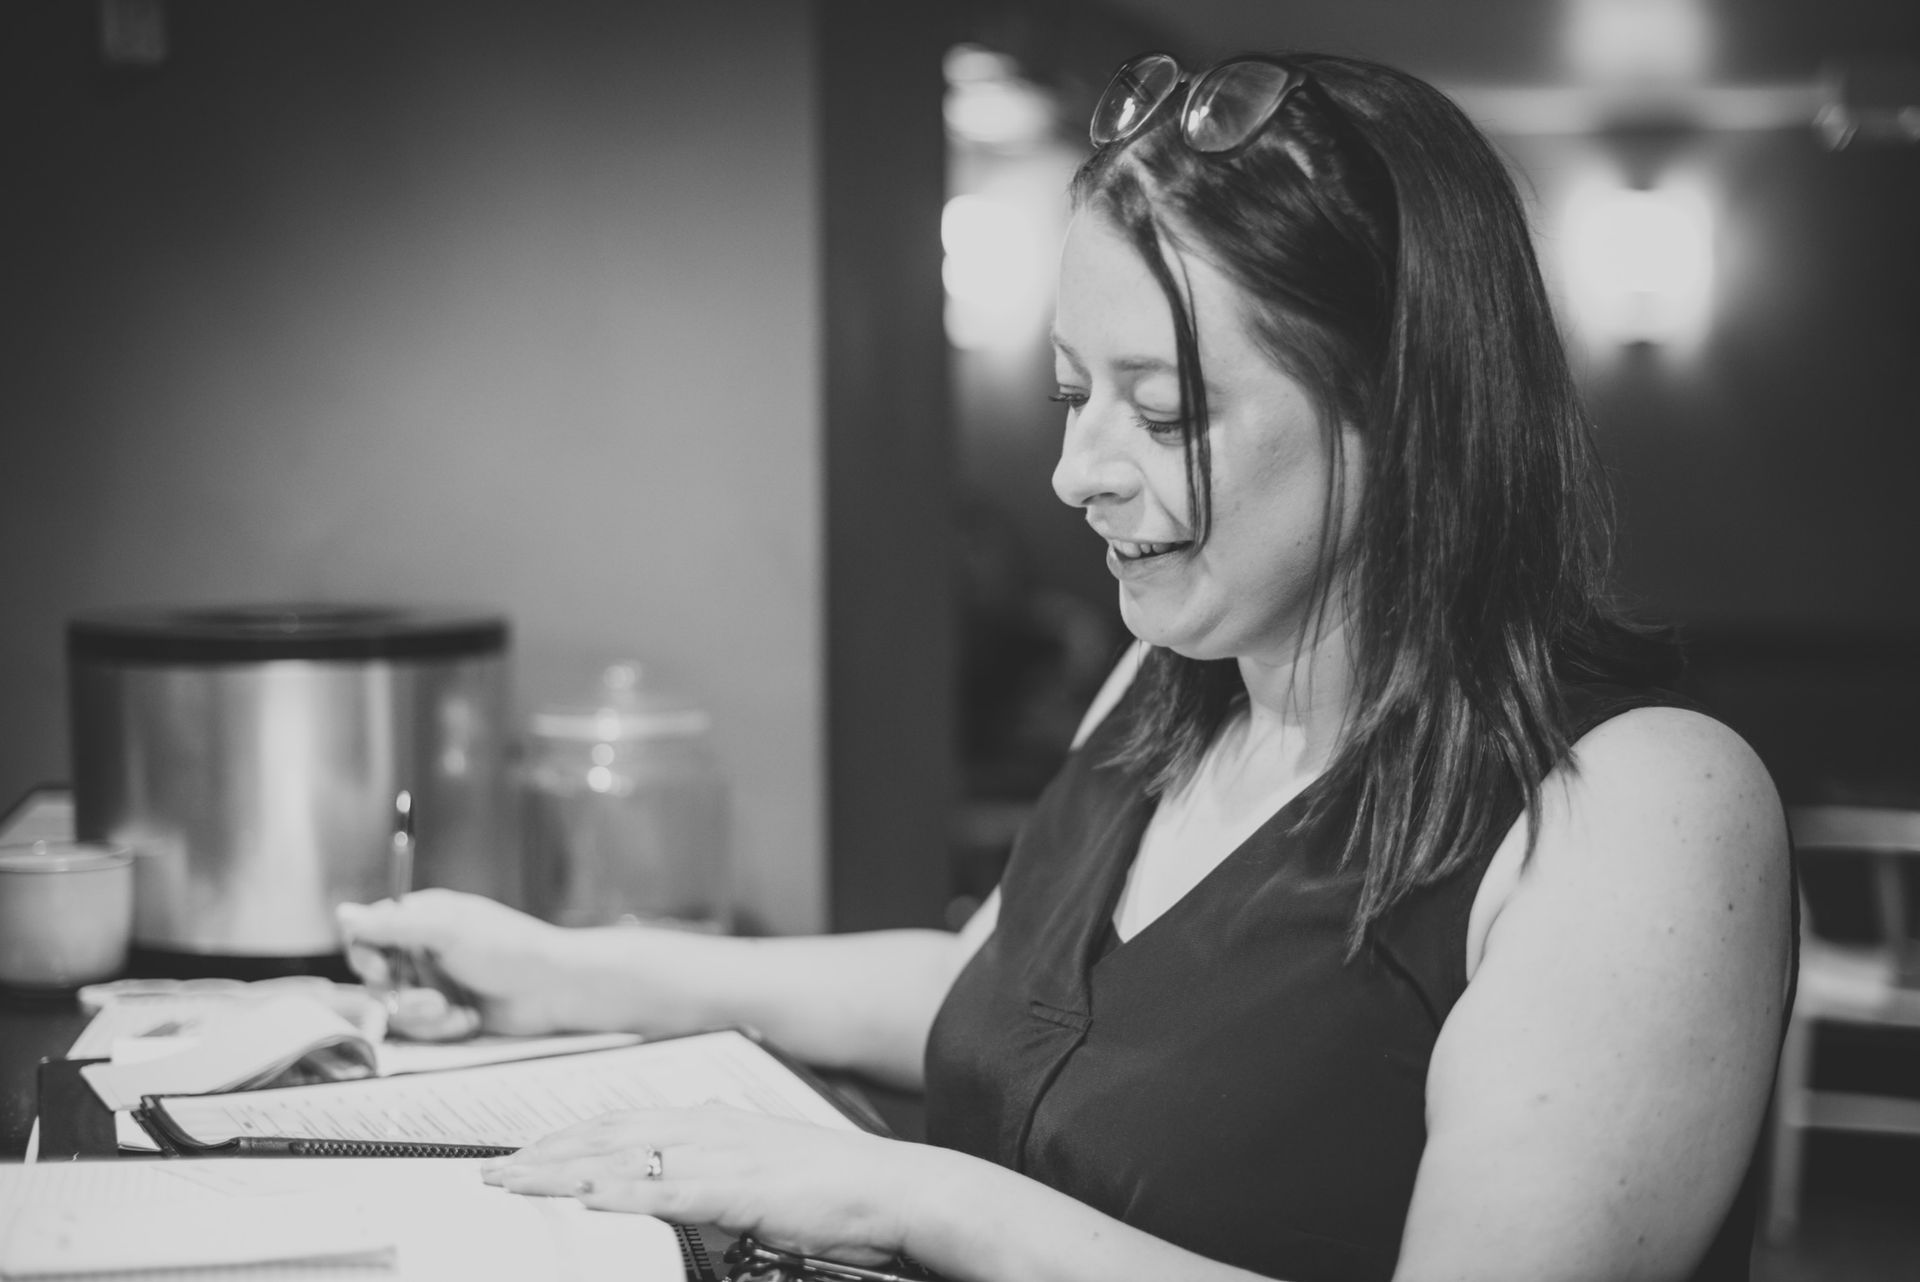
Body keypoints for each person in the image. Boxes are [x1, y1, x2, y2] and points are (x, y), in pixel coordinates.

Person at [340, 50, 1795, 1282]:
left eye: (1160, 414)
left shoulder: (1646, 811)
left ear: (1404, 417)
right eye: (1070, 392)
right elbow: (993, 1000)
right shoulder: (1170, 682)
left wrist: (905, 1192)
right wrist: (558, 972)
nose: (1073, 471)